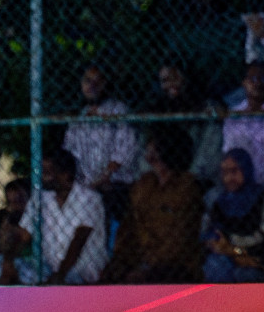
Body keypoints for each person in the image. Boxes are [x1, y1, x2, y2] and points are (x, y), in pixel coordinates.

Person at [103, 127, 204, 284]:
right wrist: (124, 258)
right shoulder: (145, 183)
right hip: (140, 256)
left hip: (173, 263)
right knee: (109, 275)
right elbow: (129, 226)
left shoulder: (187, 187)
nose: (148, 149)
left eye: (153, 146)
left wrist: (149, 266)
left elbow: (179, 240)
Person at [16, 148, 108, 284]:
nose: (42, 175)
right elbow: (24, 235)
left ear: (65, 174)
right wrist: (8, 257)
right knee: (1, 264)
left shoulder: (89, 198)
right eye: (42, 170)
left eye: (48, 171)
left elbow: (79, 240)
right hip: (48, 267)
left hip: (81, 270)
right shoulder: (41, 197)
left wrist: (60, 276)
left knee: (66, 280)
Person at [61, 65, 139, 222]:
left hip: (116, 185)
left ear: (106, 84)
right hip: (87, 188)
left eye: (98, 81)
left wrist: (105, 175)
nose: (92, 86)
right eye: (88, 81)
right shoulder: (80, 117)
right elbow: (69, 151)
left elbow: (126, 148)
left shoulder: (119, 110)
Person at [203, 148, 264, 283]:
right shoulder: (220, 203)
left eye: (234, 171)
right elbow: (213, 238)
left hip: (258, 262)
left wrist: (231, 249)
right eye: (225, 172)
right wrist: (233, 252)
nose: (229, 178)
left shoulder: (263, 198)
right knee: (216, 265)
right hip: (229, 259)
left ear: (246, 170)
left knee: (245, 274)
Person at [147, 60, 224, 185]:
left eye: (175, 78)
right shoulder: (160, 105)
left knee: (213, 126)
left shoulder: (203, 98)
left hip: (198, 161)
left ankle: (194, 179)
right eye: (165, 81)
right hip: (171, 160)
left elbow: (217, 112)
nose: (171, 84)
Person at [220, 61, 264, 185]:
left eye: (262, 78)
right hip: (244, 181)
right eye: (252, 78)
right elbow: (229, 149)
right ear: (244, 83)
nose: (257, 82)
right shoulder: (234, 115)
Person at [0, 178, 36, 284]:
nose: (15, 206)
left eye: (19, 200)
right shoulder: (9, 219)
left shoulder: (34, 218)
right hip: (14, 259)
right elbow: (3, 247)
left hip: (34, 261)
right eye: (10, 202)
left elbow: (25, 239)